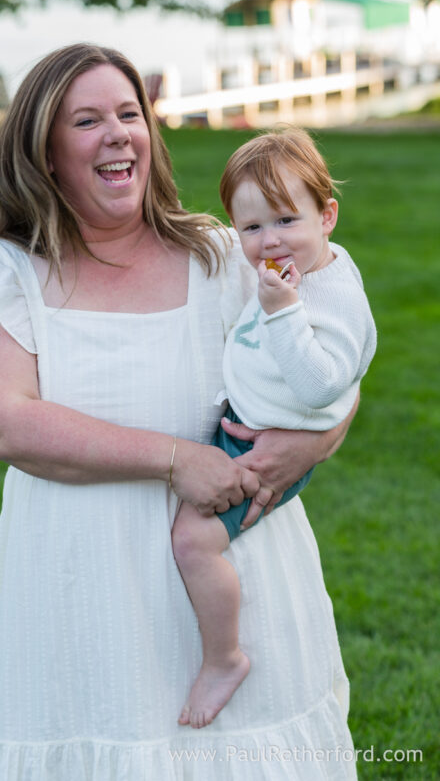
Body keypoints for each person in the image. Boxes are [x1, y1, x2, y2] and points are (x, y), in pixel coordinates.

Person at [0, 43, 359, 780]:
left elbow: (330, 365)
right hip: (82, 588)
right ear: (45, 150)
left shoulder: (226, 257)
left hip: (240, 568)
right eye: (87, 119)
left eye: (130, 114)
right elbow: (4, 420)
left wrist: (309, 448)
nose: (118, 133)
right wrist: (176, 457)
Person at [172, 127, 376, 730]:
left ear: (328, 215)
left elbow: (322, 385)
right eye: (252, 228)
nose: (269, 241)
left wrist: (283, 313)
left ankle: (224, 658)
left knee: (192, 541)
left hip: (264, 451)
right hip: (249, 425)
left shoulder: (325, 298)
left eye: (287, 220)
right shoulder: (299, 271)